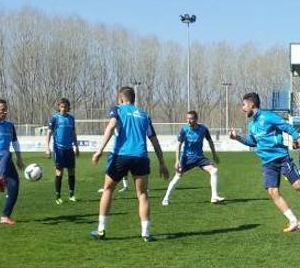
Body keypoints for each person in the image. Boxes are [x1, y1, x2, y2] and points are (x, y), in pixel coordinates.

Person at [229, 92, 300, 232]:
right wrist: (237, 138)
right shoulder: (252, 125)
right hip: (267, 163)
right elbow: (252, 142)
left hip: (281, 158)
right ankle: (293, 221)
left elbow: (288, 128)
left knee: (298, 186)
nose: (242, 108)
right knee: (272, 192)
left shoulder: (268, 116)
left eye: (244, 105)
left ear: (252, 104)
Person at [90, 86, 169, 241]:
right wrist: (162, 163)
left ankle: (101, 229)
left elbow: (111, 127)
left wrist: (99, 150)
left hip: (121, 156)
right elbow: (154, 140)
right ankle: (146, 233)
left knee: (108, 189)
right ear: (133, 99)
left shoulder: (117, 109)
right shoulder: (144, 115)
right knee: (142, 194)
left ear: (120, 98)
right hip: (140, 157)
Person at [161, 110, 225, 206]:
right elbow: (178, 145)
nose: (188, 121)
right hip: (187, 158)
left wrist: (214, 154)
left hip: (199, 158)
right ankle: (165, 199)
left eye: (191, 119)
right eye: (187, 119)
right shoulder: (184, 129)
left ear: (196, 119)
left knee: (214, 170)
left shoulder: (203, 129)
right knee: (178, 176)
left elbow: (210, 141)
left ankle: (214, 196)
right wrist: (177, 160)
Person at [45, 98, 80, 204]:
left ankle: (71, 195)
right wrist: (47, 147)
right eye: (61, 107)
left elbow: (73, 133)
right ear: (59, 107)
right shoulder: (55, 118)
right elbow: (49, 133)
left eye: (65, 107)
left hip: (69, 149)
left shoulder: (71, 118)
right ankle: (58, 196)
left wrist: (76, 146)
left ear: (68, 107)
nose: (63, 109)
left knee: (72, 171)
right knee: (59, 172)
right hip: (58, 149)